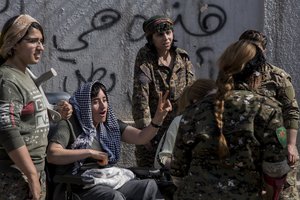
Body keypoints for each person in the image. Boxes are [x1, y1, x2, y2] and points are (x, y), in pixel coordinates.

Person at [170, 40, 291, 199]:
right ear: (256, 76)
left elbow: (177, 173)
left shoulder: (194, 110)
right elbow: (276, 170)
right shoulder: (267, 109)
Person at [47, 80, 172, 200]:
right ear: (85, 105)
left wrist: (158, 119)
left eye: (104, 100)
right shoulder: (69, 124)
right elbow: (53, 154)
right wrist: (89, 152)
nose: (103, 106)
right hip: (78, 185)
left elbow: (142, 137)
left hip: (106, 180)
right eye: (95, 102)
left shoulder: (109, 126)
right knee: (113, 197)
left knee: (149, 187)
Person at [0, 14, 72, 200]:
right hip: (13, 177)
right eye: (33, 41)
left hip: (33, 172)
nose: (41, 47)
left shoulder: (25, 75)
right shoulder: (7, 80)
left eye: (41, 41)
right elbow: (7, 129)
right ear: (14, 43)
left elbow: (27, 119)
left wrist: (56, 112)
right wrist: (32, 175)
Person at [239, 30, 299, 200]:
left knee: (286, 193)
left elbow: (291, 111)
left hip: (277, 137)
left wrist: (291, 144)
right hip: (247, 143)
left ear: (264, 51)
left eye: (256, 49)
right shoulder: (234, 75)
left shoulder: (277, 76)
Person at [132, 15, 195, 168]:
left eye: (169, 33)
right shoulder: (146, 59)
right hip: (155, 130)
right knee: (150, 179)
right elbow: (141, 97)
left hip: (179, 131)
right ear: (151, 38)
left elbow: (192, 92)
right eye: (160, 34)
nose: (166, 38)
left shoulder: (182, 57)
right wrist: (145, 132)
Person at [154, 79, 216, 169]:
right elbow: (161, 160)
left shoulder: (220, 122)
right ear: (196, 101)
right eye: (211, 99)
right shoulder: (180, 122)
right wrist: (188, 165)